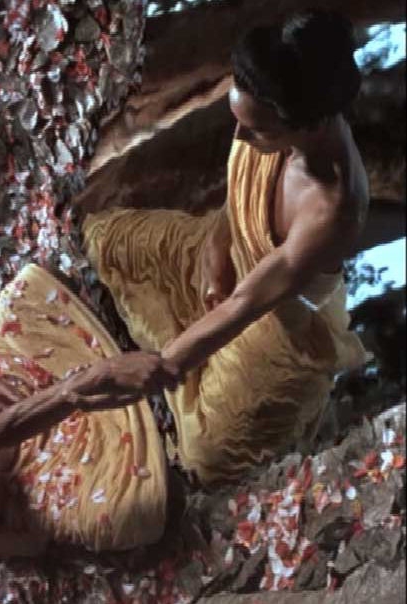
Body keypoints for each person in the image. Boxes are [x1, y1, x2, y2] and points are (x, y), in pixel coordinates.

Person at [79, 10, 370, 484]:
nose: (240, 137)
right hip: (229, 246)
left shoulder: (332, 208)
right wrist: (217, 244)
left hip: (271, 319)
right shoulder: (271, 111)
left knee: (207, 452)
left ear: (308, 126)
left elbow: (244, 303)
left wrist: (160, 368)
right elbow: (240, 197)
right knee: (102, 240)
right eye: (239, 121)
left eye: (257, 131)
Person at [0, 263, 181, 561]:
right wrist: (95, 379)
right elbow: (6, 430)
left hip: (6, 399)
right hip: (20, 475)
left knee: (23, 294)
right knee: (127, 512)